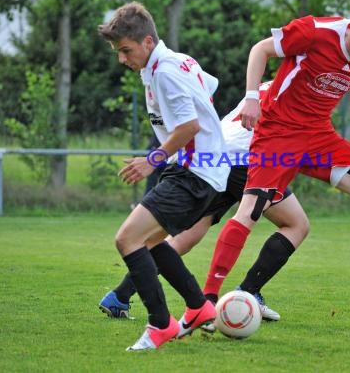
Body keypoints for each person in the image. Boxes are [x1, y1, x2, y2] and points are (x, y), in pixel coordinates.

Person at [202, 2, 350, 319]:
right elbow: (260, 50)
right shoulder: (315, 31)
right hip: (278, 132)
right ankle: (205, 304)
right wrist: (250, 97)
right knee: (250, 211)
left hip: (318, 137)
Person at [99, 83, 309, 324]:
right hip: (249, 158)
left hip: (215, 156)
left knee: (181, 239)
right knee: (296, 224)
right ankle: (246, 292)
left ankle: (119, 296)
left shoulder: (263, 85)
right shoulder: (305, 87)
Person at [98, 1, 230, 350]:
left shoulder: (166, 71)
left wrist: (151, 160)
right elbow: (209, 87)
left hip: (193, 173)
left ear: (146, 41)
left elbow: (189, 125)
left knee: (127, 240)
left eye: (125, 51)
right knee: (151, 241)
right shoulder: (175, 62)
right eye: (117, 52)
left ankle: (161, 324)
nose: (122, 59)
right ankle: (199, 308)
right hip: (201, 170)